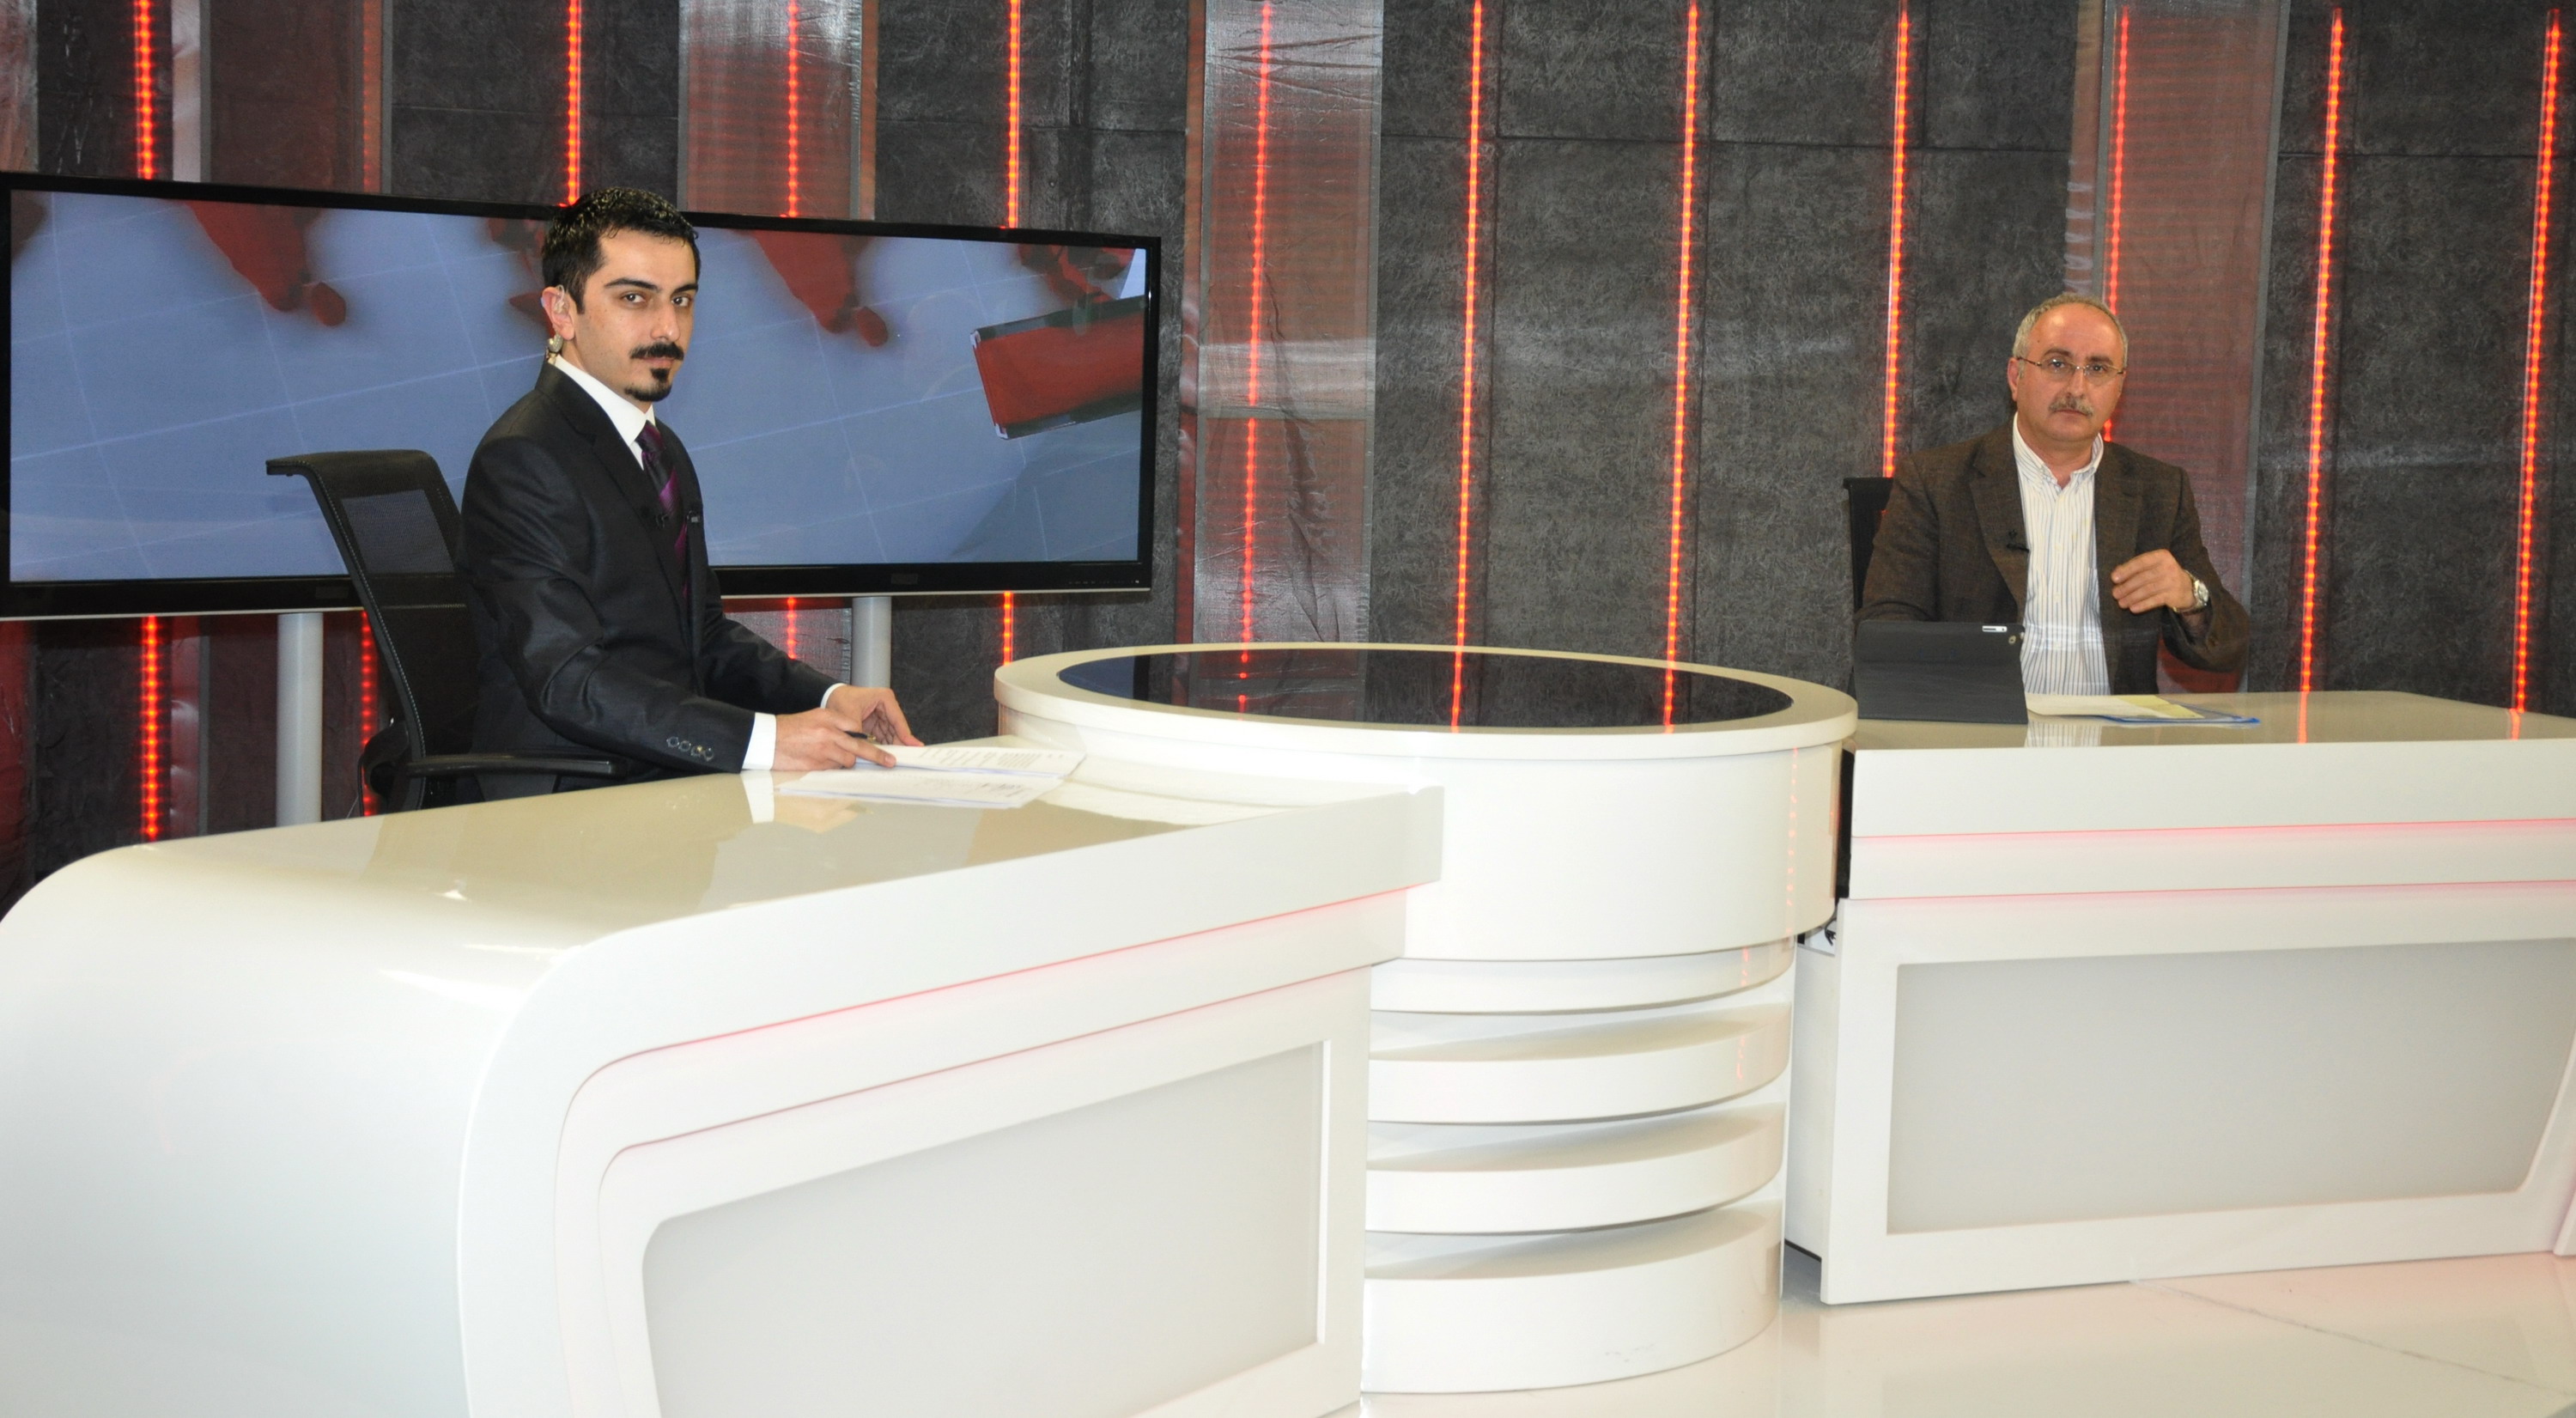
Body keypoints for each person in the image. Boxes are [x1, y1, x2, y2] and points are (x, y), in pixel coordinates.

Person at [457, 187, 917, 795]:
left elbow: (702, 636)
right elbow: (566, 679)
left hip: (660, 775)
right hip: (570, 795)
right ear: (562, 311)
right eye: (634, 298)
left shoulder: (657, 446)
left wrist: (830, 695)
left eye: (682, 300)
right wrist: (766, 742)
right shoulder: (524, 457)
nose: (667, 328)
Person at [1858, 292, 2249, 695]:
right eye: (2058, 364)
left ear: (2119, 388)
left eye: (2098, 369)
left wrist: (2189, 596)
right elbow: (1887, 626)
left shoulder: (2159, 490)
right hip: (1986, 726)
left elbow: (2227, 648)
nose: (2077, 388)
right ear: (2016, 377)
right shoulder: (1936, 481)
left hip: (2112, 729)